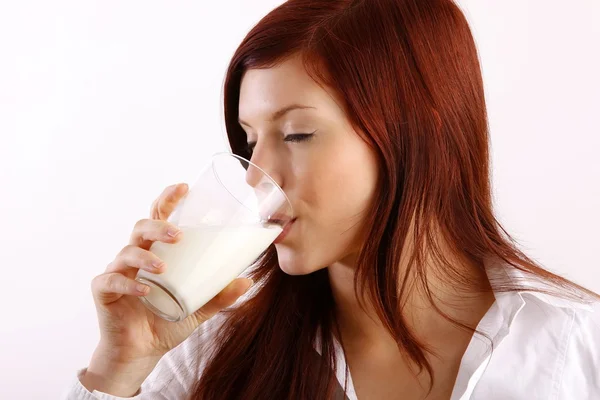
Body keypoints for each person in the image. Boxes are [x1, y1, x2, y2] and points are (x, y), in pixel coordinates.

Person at [63, 0, 600, 399]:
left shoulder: (576, 350)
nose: (258, 177)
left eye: (297, 135)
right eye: (250, 141)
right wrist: (119, 366)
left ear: (417, 134)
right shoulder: (205, 358)